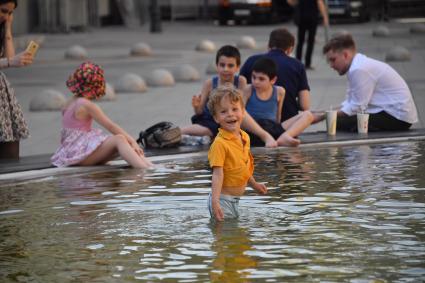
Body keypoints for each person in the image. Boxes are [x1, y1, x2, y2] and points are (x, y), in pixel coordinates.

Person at [51, 62, 153, 169]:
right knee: (120, 139)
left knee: (123, 145)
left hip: (71, 154)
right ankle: (145, 170)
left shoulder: (69, 102)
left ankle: (148, 165)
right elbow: (111, 126)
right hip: (80, 157)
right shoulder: (86, 105)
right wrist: (133, 141)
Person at [181, 45, 277, 147]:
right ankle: (178, 132)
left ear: (237, 67)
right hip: (210, 120)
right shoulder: (209, 83)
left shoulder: (240, 81)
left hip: (230, 119)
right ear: (217, 65)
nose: (225, 69)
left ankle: (263, 136)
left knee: (239, 114)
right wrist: (196, 106)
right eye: (222, 65)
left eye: (230, 66)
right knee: (207, 129)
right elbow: (199, 112)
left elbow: (239, 104)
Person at [321, 33, 418, 131]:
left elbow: (357, 107)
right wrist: (323, 112)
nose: (331, 65)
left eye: (333, 60)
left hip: (397, 118)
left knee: (338, 122)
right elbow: (350, 103)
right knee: (337, 120)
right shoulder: (356, 66)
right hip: (394, 114)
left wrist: (322, 116)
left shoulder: (359, 69)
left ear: (345, 55)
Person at [207, 85, 267, 222]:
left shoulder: (244, 137)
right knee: (224, 236)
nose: (230, 114)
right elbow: (217, 174)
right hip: (222, 201)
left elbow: (243, 168)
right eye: (223, 112)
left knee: (236, 238)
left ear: (243, 111)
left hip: (234, 200)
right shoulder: (220, 144)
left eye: (235, 109)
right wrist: (215, 202)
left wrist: (254, 184)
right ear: (216, 118)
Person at [240, 28, 311, 123]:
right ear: (290, 49)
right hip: (287, 124)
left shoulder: (251, 61)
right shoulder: (297, 65)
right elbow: (305, 105)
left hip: (252, 123)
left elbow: (239, 93)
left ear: (268, 45)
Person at [243, 57, 314, 147]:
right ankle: (268, 137)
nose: (256, 82)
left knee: (308, 115)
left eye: (261, 79)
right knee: (240, 111)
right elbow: (241, 114)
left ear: (273, 80)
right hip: (253, 129)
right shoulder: (248, 89)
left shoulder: (279, 91)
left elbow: (278, 116)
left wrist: (279, 129)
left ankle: (285, 137)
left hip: (272, 127)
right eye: (253, 77)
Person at [0, 0, 34, 159]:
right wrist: (10, 62)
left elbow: (9, 57)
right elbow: (9, 61)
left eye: (10, 13)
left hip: (2, 97)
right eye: (3, 11)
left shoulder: (2, 25)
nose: (6, 16)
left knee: (11, 152)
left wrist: (7, 28)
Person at [287, 0, 329, 70]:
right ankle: (307, 63)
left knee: (300, 41)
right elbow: (320, 3)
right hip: (312, 18)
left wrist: (297, 4)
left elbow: (291, 2)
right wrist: (325, 17)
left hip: (302, 18)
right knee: (310, 41)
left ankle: (298, 62)